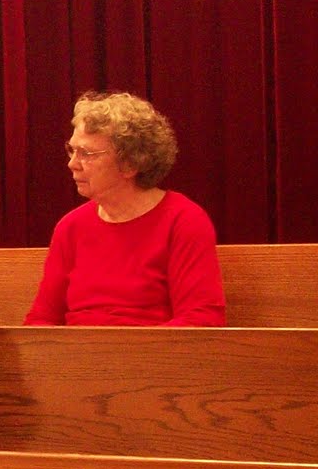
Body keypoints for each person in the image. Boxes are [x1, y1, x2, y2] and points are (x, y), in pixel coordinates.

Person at [25, 91, 225, 325]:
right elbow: (42, 319)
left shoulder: (183, 220)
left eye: (86, 153)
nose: (72, 164)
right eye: (72, 150)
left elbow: (201, 319)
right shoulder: (70, 227)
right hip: (76, 348)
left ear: (130, 163)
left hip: (150, 348)